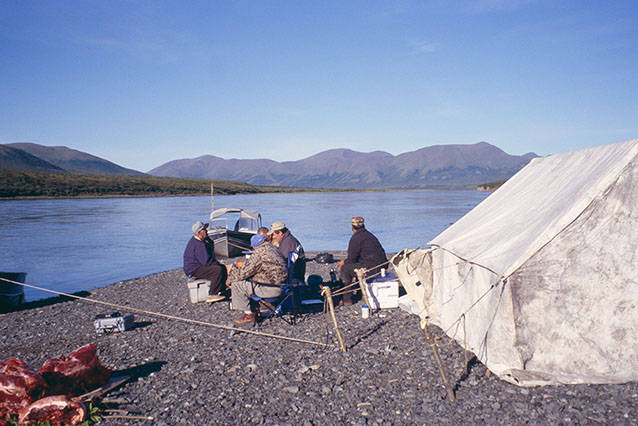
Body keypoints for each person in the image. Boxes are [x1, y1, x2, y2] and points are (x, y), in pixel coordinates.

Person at [227, 233, 288, 325]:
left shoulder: (259, 254)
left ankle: (249, 316)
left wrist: (229, 280)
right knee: (249, 280)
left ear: (255, 246)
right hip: (283, 287)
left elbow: (243, 273)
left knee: (237, 284)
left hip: (271, 289)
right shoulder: (274, 249)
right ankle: (256, 310)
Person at [336, 216, 387, 305]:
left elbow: (351, 258)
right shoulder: (370, 235)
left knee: (345, 268)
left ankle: (347, 299)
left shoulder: (356, 238)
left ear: (352, 227)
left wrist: (343, 262)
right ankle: (359, 294)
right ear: (363, 226)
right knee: (357, 264)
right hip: (382, 265)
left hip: (372, 268)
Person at [183, 220, 228, 303]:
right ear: (200, 232)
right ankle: (212, 294)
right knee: (217, 270)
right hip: (193, 269)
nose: (207, 231)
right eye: (205, 230)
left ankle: (221, 290)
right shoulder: (199, 244)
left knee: (222, 267)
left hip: (197, 266)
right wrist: (217, 264)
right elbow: (207, 261)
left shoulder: (200, 241)